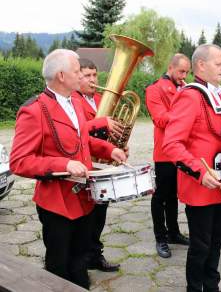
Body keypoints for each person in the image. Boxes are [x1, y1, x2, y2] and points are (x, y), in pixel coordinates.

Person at [9, 49, 127, 289]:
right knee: (58, 268)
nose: (83, 78)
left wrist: (108, 149)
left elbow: (81, 139)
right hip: (57, 205)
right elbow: (19, 161)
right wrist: (63, 164)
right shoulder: (34, 110)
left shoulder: (75, 100)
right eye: (77, 72)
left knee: (80, 261)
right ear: (62, 76)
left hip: (84, 199)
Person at [162, 44, 221, 292]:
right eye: (219, 63)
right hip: (200, 184)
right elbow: (172, 144)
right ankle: (194, 288)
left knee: (217, 241)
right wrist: (200, 171)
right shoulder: (190, 96)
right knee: (200, 246)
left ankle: (211, 286)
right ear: (201, 65)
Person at [72, 58, 124, 272]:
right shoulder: (72, 99)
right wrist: (101, 122)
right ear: (77, 77)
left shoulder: (103, 98)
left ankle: (95, 254)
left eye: (95, 75)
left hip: (103, 164)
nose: (93, 80)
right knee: (86, 215)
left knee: (100, 213)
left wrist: (117, 146)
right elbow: (77, 128)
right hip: (83, 165)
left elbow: (109, 134)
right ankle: (81, 256)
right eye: (87, 76)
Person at [145, 54, 191, 258]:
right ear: (170, 68)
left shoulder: (185, 88)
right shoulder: (154, 89)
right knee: (161, 197)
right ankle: (160, 238)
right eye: (181, 71)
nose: (184, 76)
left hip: (182, 151)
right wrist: (186, 116)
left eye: (187, 72)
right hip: (164, 152)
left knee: (174, 196)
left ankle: (173, 232)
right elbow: (161, 119)